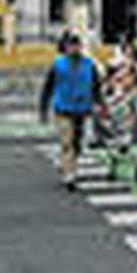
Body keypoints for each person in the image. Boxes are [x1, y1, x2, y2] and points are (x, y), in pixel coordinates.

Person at [38, 31, 103, 190]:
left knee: (77, 142)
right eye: (71, 46)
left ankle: (69, 164)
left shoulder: (89, 65)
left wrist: (100, 104)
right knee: (67, 142)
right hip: (63, 109)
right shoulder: (58, 65)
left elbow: (96, 87)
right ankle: (70, 174)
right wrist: (43, 110)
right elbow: (48, 88)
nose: (74, 49)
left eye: (77, 46)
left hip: (82, 109)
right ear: (66, 48)